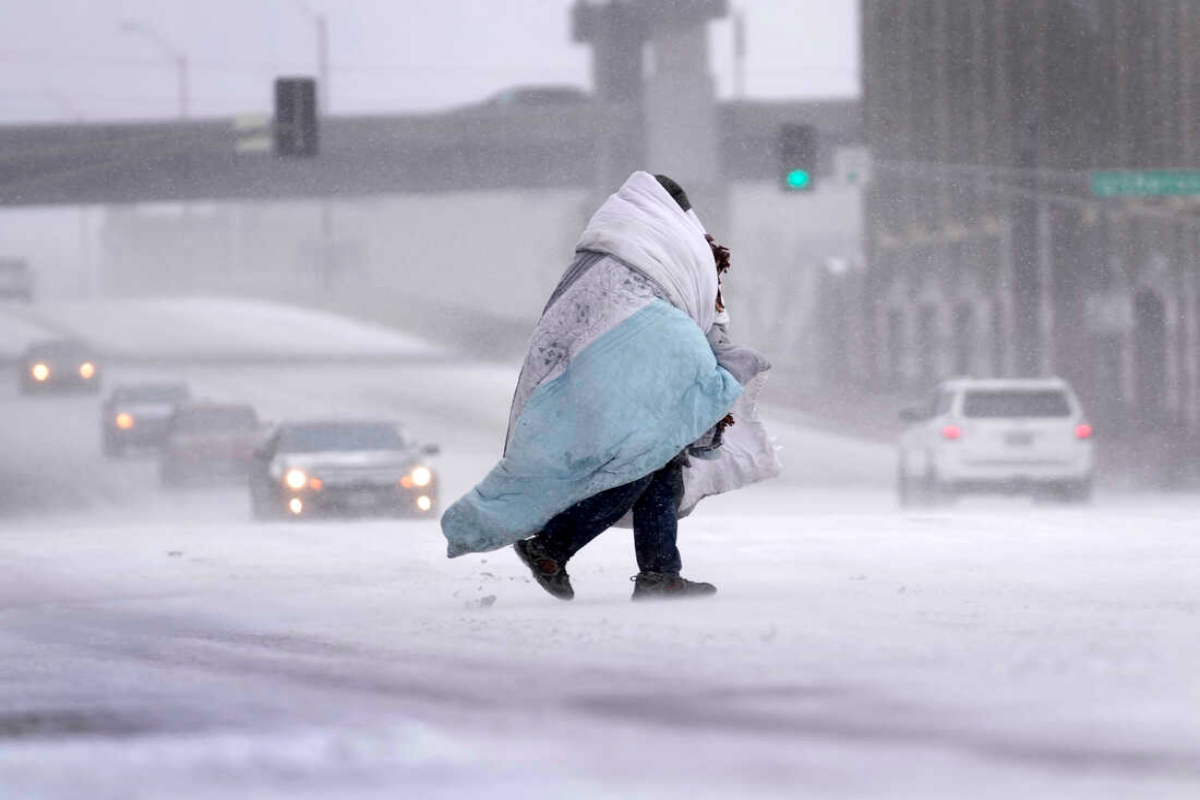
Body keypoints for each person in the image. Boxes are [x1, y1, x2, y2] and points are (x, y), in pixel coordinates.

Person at [440, 171, 779, 601]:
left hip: (598, 371)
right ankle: (553, 545)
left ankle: (660, 572)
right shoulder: (672, 246)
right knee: (639, 462)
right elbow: (687, 313)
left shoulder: (608, 248)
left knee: (660, 464)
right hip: (632, 370)